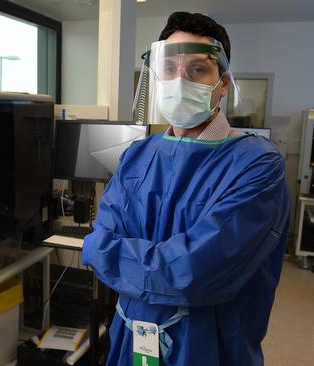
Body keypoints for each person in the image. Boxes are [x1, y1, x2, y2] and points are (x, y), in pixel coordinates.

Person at [82, 11, 291, 366]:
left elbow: (191, 272)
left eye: (197, 69)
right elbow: (107, 232)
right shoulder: (138, 155)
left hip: (207, 346)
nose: (180, 81)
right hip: (132, 334)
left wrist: (105, 252)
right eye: (169, 69)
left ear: (222, 83)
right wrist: (115, 249)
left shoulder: (257, 165)